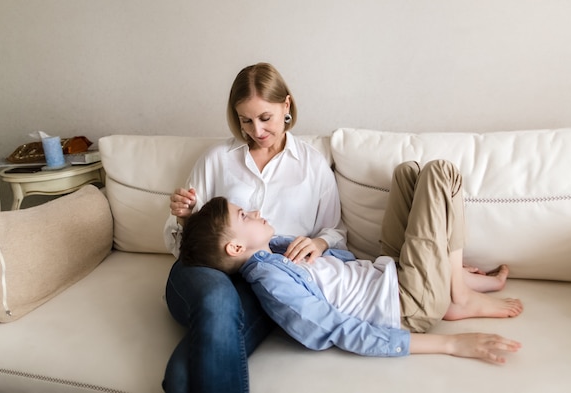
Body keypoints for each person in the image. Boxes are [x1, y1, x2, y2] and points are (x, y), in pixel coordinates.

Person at [177, 160, 524, 364]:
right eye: (243, 215)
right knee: (441, 172)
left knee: (409, 173)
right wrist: (452, 345)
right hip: (407, 301)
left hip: (389, 272)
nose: (253, 212)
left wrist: (318, 243)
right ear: (236, 247)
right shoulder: (271, 281)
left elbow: (337, 261)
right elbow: (336, 330)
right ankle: (458, 296)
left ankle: (452, 278)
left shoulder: (277, 251)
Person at [162, 63, 347, 393]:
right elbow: (182, 244)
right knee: (218, 298)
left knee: (180, 379)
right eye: (245, 120)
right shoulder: (216, 159)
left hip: (265, 278)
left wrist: (318, 244)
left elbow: (335, 230)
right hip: (205, 270)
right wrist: (184, 218)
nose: (256, 131)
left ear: (286, 106)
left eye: (266, 118)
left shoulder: (312, 164)